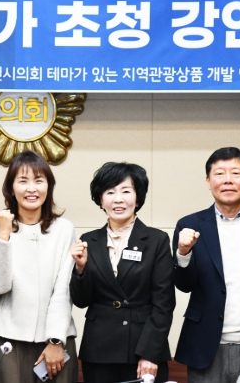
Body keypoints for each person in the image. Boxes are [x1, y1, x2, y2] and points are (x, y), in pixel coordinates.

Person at [172, 147, 240, 383]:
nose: (228, 180)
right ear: (208, 181)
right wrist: (183, 253)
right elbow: (184, 285)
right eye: (220, 173)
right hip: (204, 345)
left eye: (236, 173)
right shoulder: (189, 225)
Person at [70, 162, 175, 383]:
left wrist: (150, 353)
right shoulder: (89, 240)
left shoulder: (156, 240)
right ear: (101, 200)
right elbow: (81, 301)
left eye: (126, 191)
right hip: (98, 350)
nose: (118, 199)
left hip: (141, 349)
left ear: (138, 199)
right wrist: (80, 269)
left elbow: (163, 304)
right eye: (110, 192)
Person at [0, 151, 78, 383]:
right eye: (23, 181)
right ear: (11, 188)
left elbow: (63, 289)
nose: (31, 189)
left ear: (48, 186)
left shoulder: (64, 229)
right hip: (8, 341)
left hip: (56, 341)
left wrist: (55, 339)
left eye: (38, 180)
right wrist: (4, 237)